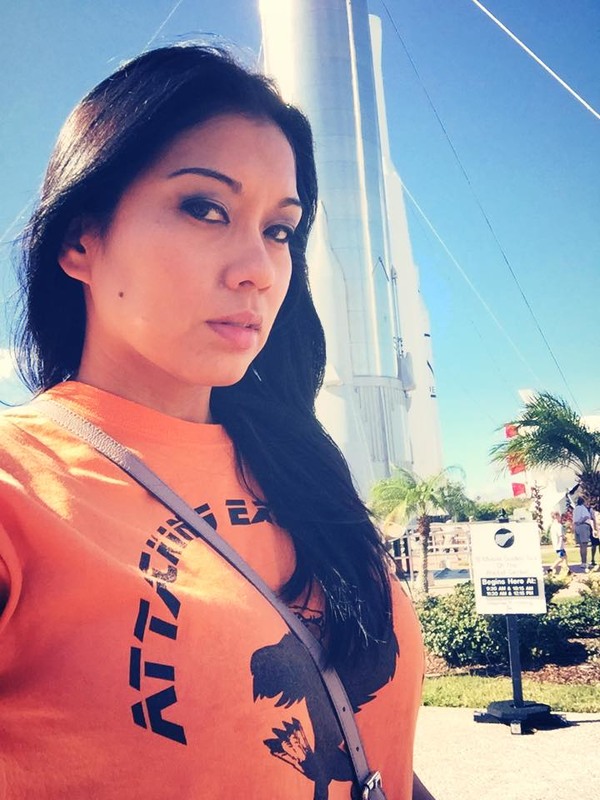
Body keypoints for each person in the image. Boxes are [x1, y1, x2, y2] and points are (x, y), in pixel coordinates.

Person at [0, 45, 434, 799]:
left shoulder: (301, 466)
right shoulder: (20, 486)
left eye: (280, 230)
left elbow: (373, 741)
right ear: (79, 239)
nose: (258, 269)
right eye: (205, 208)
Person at [572, 496, 594, 571]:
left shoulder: (575, 509)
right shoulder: (583, 508)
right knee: (584, 545)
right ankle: (584, 562)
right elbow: (586, 517)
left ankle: (582, 562)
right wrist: (580, 522)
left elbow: (574, 520)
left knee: (581, 546)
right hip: (583, 526)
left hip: (577, 527)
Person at [547, 511, 572, 576]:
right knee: (561, 558)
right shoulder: (558, 525)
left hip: (556, 544)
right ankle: (551, 568)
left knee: (565, 556)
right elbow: (561, 535)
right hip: (559, 545)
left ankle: (567, 570)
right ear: (556, 516)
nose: (560, 517)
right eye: (559, 516)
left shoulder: (552, 526)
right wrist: (563, 540)